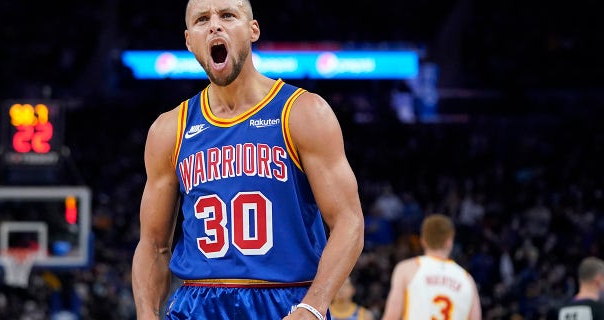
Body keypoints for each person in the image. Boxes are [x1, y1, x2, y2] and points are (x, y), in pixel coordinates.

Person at [131, 0, 365, 319]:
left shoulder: (303, 112)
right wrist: (146, 314)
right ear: (189, 41)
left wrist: (313, 306)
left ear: (252, 30)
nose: (215, 25)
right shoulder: (169, 128)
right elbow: (153, 244)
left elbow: (349, 221)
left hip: (286, 299)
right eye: (202, 19)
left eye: (227, 15)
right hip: (196, 303)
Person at [381, 213, 481, 320]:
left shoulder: (406, 269)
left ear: (423, 241)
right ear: (449, 242)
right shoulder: (467, 279)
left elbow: (391, 316)